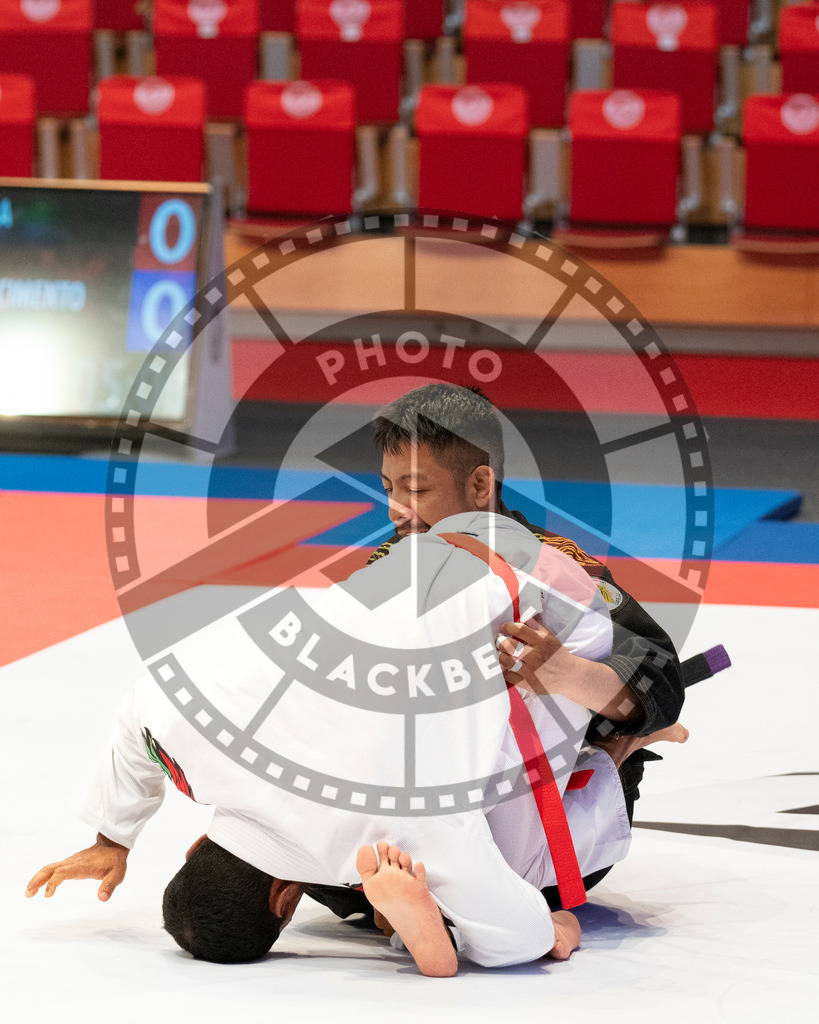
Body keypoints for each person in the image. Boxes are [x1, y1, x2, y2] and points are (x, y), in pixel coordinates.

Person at [27, 497, 624, 973]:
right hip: (417, 556)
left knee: (519, 874)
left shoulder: (402, 826)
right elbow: (138, 712)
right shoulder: (183, 728)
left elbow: (515, 941)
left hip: (542, 596)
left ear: (285, 901)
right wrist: (114, 838)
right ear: (194, 849)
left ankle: (624, 742)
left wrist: (554, 926)